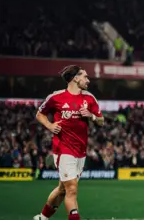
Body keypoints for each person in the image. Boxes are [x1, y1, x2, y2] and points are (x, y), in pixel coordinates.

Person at [33, 66, 104, 220]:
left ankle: (42, 218)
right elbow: (40, 114)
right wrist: (50, 126)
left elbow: (101, 121)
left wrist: (92, 116)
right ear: (75, 78)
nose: (88, 80)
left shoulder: (90, 98)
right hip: (63, 149)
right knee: (71, 189)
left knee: (62, 190)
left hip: (81, 151)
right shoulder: (56, 97)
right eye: (85, 77)